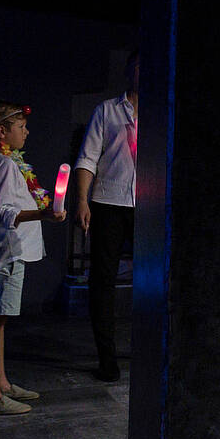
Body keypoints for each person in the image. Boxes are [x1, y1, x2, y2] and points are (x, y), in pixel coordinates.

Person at [0, 102, 64, 415]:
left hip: (9, 252)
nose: (26, 131)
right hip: (6, 252)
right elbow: (1, 214)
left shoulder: (5, 162)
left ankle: (1, 383)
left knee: (0, 318)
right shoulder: (4, 165)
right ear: (2, 132)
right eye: (20, 126)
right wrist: (44, 214)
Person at [73, 49, 138, 383]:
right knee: (103, 280)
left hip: (149, 207)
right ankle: (106, 357)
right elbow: (87, 157)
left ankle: (149, 348)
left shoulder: (164, 111)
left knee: (154, 280)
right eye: (139, 67)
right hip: (109, 201)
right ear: (129, 70)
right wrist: (82, 200)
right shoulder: (108, 111)